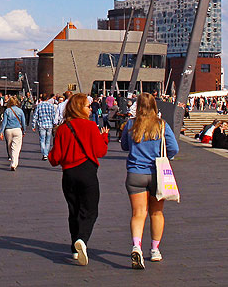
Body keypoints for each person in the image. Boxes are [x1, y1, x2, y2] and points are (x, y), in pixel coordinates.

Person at [48, 93, 110, 266]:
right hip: (87, 172)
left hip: (68, 174)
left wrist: (51, 154)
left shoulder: (62, 128)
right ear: (79, 108)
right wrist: (104, 137)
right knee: (90, 209)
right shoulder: (90, 126)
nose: (90, 109)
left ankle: (75, 248)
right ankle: (82, 239)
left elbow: (55, 158)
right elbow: (100, 151)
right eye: (87, 106)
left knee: (73, 209)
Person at [121, 93, 179, 268]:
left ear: (137, 106)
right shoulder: (162, 126)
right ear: (155, 106)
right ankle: (155, 249)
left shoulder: (130, 124)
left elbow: (124, 145)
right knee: (156, 213)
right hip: (157, 174)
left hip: (135, 173)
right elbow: (174, 149)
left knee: (138, 214)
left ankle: (136, 246)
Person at [0, 96, 26, 171]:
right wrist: (24, 130)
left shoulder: (7, 110)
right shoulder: (20, 111)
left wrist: (1, 132)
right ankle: (14, 162)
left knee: (9, 146)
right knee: (16, 147)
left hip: (8, 130)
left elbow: (4, 122)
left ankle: (12, 161)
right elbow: (23, 122)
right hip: (17, 129)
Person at [32, 94, 58, 161]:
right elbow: (53, 116)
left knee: (42, 139)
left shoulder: (39, 106)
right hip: (49, 125)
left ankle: (44, 154)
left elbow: (35, 115)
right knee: (48, 140)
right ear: (47, 98)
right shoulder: (51, 106)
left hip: (41, 124)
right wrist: (54, 123)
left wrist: (33, 125)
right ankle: (46, 153)